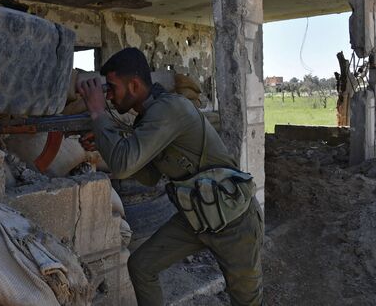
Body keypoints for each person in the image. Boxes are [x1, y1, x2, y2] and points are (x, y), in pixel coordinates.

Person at [77, 47, 263, 306]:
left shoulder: (168, 110)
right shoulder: (148, 118)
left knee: (246, 301)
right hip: (198, 218)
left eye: (111, 87)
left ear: (133, 85)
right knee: (142, 266)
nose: (107, 95)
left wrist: (98, 113)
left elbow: (123, 165)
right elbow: (149, 175)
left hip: (234, 221)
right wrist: (105, 145)